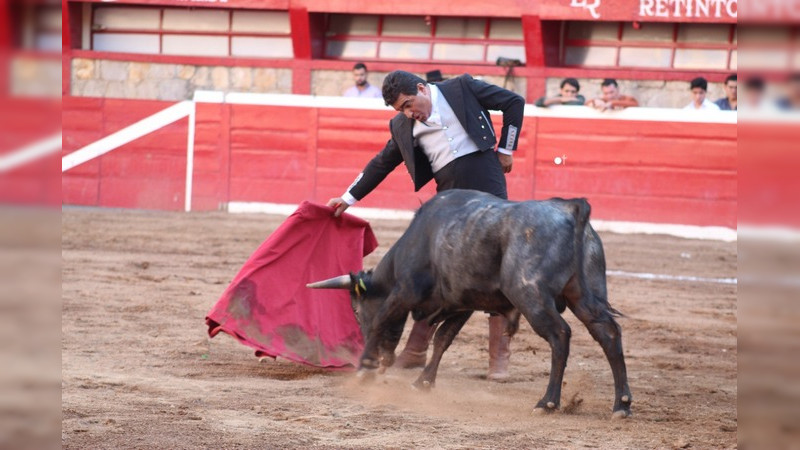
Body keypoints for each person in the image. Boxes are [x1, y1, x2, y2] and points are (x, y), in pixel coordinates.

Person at [326, 70, 524, 381]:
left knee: (496, 263)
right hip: (448, 200)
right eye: (401, 110)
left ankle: (498, 358)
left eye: (408, 104)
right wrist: (348, 197)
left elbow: (513, 102)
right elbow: (382, 162)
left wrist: (506, 148)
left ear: (422, 88)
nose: (408, 113)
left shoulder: (460, 88)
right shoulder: (403, 125)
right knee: (434, 270)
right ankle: (417, 350)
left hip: (488, 185)